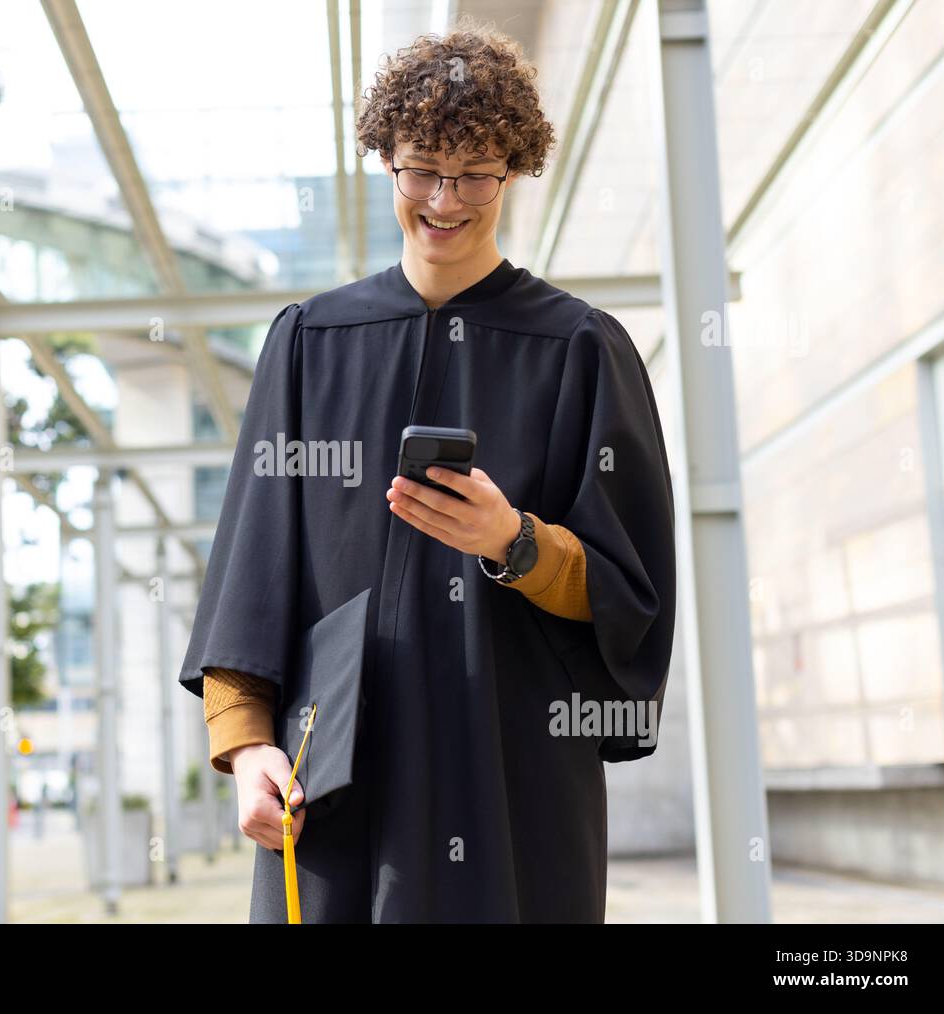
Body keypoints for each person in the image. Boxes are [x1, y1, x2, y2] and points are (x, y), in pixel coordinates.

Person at [178, 19, 676, 923]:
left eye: (477, 172)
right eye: (422, 168)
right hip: (334, 791)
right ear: (386, 161)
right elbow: (251, 579)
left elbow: (631, 599)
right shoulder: (307, 344)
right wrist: (246, 748)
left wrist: (512, 541)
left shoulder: (581, 350)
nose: (446, 198)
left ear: (516, 170)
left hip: (513, 784)